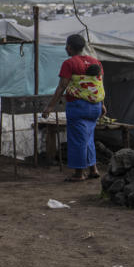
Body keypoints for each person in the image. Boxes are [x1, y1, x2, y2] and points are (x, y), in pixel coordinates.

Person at [42, 34, 106, 182]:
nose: (65, 48)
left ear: (70, 47)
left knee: (77, 139)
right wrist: (102, 104)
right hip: (95, 106)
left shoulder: (69, 63)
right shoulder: (95, 62)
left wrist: (50, 106)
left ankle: (79, 174)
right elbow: (98, 85)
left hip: (78, 106)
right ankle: (93, 169)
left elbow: (62, 86)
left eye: (66, 45)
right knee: (88, 137)